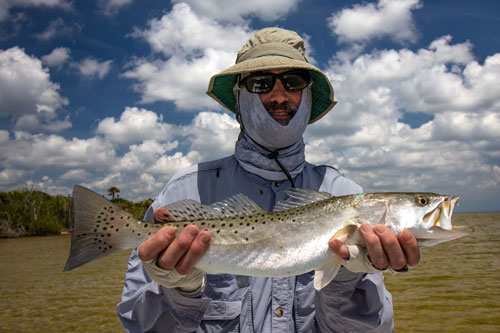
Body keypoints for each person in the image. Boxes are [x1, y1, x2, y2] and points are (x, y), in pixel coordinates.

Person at [117, 27, 420, 332]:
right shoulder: (183, 189)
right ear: (239, 98)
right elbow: (138, 326)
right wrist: (181, 292)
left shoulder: (345, 194)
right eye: (261, 82)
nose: (279, 95)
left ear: (307, 96)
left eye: (294, 81)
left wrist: (345, 280)